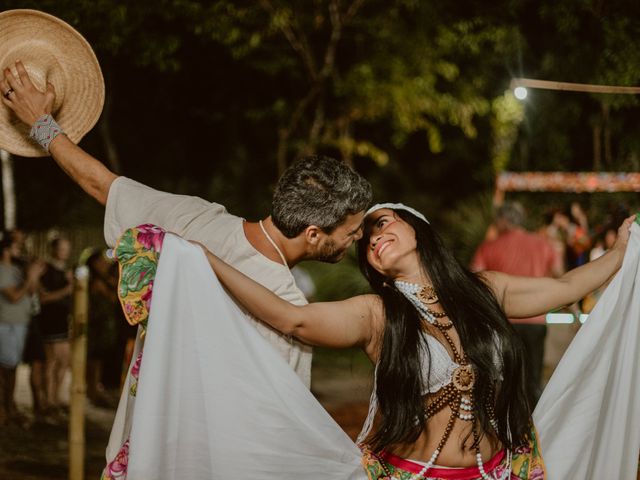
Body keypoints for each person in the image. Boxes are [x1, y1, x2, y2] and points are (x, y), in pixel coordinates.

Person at [192, 203, 635, 478]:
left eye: (383, 223)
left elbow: (566, 287)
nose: (374, 238)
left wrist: (620, 252)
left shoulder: (484, 290)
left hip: (499, 473)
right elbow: (293, 319)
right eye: (365, 241)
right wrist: (203, 260)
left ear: (416, 228)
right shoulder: (376, 314)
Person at [0, 60, 372, 387]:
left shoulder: (198, 218)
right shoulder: (288, 309)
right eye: (351, 231)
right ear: (312, 233)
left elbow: (101, 184)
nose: (356, 238)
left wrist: (41, 123)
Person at [470, 202, 561, 405]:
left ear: (504, 220)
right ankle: (534, 425)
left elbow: (475, 279)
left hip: (502, 321)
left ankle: (505, 427)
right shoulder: (544, 245)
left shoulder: (489, 246)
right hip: (536, 319)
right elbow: (558, 275)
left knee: (503, 379)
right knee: (533, 379)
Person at [0, 230, 44, 426]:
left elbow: (32, 291)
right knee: (6, 369)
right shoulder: (2, 269)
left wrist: (33, 274)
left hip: (20, 324)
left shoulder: (17, 269)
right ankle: (5, 409)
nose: (21, 249)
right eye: (17, 246)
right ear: (6, 249)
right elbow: (15, 296)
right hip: (7, 325)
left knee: (13, 368)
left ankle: (9, 407)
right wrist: (31, 277)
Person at [36, 236, 74, 415]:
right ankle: (48, 399)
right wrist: (66, 290)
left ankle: (56, 397)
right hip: (49, 321)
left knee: (64, 361)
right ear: (54, 249)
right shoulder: (46, 269)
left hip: (62, 321)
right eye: (62, 248)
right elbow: (43, 298)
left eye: (67, 248)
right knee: (51, 362)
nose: (65, 252)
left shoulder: (66, 271)